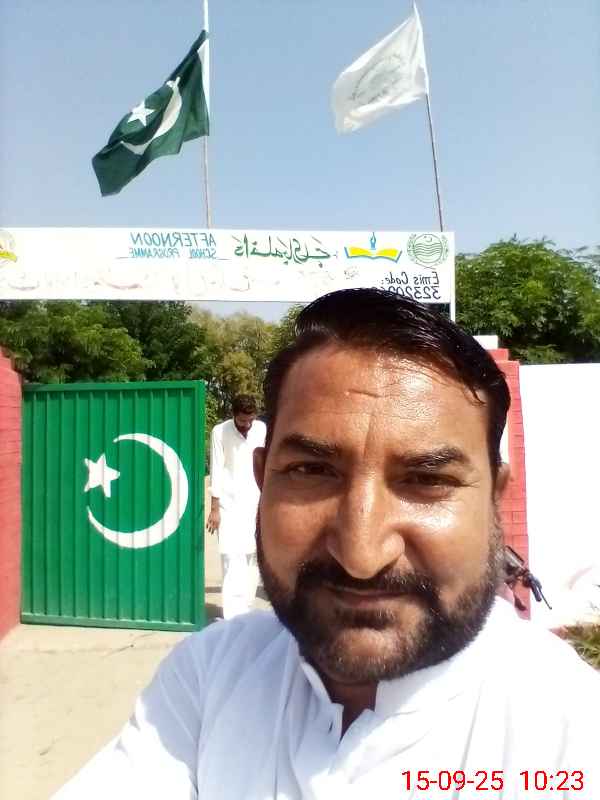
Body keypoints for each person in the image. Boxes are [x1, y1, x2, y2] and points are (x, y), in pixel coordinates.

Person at [54, 288, 599, 799]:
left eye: (427, 480)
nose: (361, 555)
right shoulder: (211, 676)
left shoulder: (569, 731)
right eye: (312, 471)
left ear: (494, 498)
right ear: (264, 479)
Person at [207, 393, 266, 619]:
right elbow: (216, 468)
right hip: (229, 503)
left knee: (253, 555)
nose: (247, 425)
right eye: (243, 420)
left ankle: (246, 612)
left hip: (256, 500)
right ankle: (232, 616)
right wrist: (214, 508)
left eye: (251, 419)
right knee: (232, 557)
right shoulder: (219, 431)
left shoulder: (261, 429)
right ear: (233, 415)